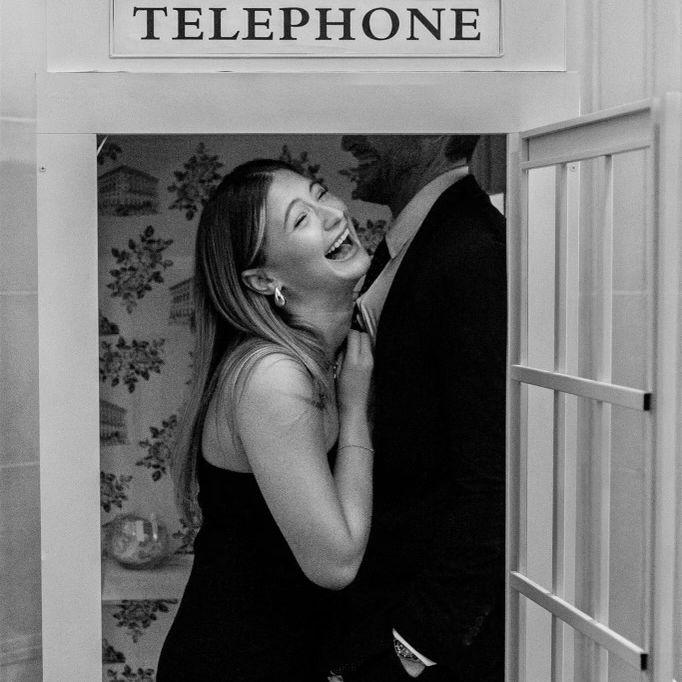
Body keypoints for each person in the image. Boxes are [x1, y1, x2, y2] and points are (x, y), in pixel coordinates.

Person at [156, 159, 374, 682]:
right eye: (301, 219)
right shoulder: (272, 375)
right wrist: (355, 411)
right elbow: (336, 564)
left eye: (322, 194)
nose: (333, 214)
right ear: (263, 279)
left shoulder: (318, 352)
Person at [325, 135, 507, 681]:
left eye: (381, 112)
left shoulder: (473, 252)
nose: (350, 137)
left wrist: (414, 647)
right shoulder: (419, 239)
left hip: (427, 647)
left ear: (437, 129)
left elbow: (493, 474)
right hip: (375, 615)